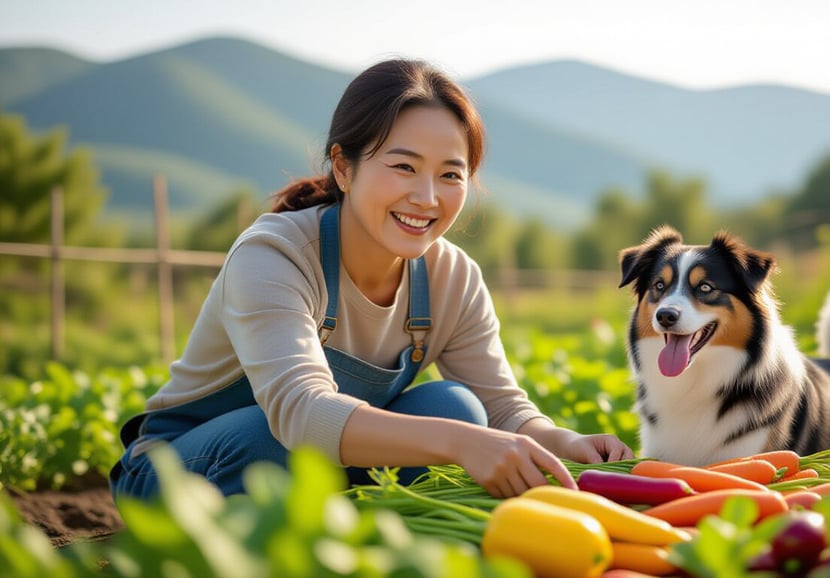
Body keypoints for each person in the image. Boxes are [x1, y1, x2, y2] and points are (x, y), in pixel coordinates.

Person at [109, 58, 634, 501]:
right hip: (180, 471)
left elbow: (501, 405)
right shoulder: (275, 254)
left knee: (457, 407)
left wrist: (563, 440)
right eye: (404, 167)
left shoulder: (452, 277)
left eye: (450, 175)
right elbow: (300, 413)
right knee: (270, 438)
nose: (427, 198)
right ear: (343, 167)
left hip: (316, 470)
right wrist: (459, 445)